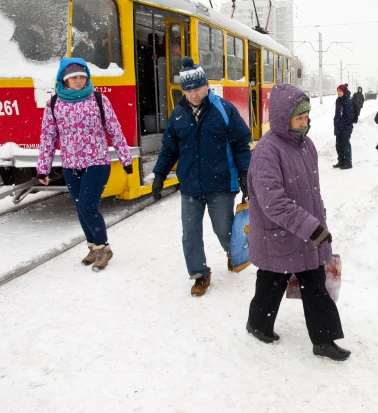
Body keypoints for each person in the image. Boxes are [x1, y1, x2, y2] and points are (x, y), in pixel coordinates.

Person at [246, 84, 350, 361]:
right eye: (298, 117)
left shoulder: (306, 144)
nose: (304, 122)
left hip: (304, 232)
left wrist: (319, 221)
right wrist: (310, 226)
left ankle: (324, 340)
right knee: (271, 281)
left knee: (314, 284)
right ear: (283, 118)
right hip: (279, 234)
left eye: (306, 116)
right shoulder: (268, 151)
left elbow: (312, 191)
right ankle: (257, 324)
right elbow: (273, 202)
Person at [152, 57, 251, 296]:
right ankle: (200, 274)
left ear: (206, 85)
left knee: (223, 230)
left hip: (220, 184)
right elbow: (169, 149)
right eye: (188, 90)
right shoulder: (178, 115)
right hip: (190, 186)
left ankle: (232, 251)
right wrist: (159, 175)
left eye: (197, 88)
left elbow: (240, 144)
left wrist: (245, 175)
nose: (193, 95)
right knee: (191, 233)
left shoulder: (224, 109)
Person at [36, 57, 133, 271]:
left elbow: (114, 130)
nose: (79, 81)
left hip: (97, 162)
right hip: (70, 165)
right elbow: (48, 137)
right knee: (81, 208)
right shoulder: (54, 104)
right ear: (64, 80)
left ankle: (104, 247)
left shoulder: (98, 100)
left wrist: (125, 158)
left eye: (82, 77)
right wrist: (43, 167)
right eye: (74, 78)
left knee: (87, 206)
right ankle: (93, 247)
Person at [333, 84, 355, 169]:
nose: (338, 92)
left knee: (345, 145)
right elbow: (337, 114)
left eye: (340, 91)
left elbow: (349, 117)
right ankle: (341, 161)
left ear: (344, 92)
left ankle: (348, 162)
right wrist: (336, 122)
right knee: (338, 145)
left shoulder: (348, 101)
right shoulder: (338, 100)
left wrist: (342, 123)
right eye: (337, 91)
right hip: (338, 126)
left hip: (345, 127)